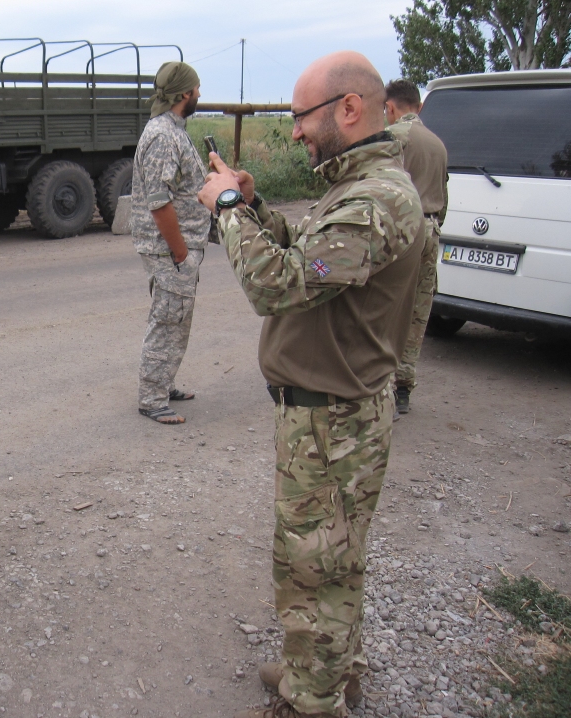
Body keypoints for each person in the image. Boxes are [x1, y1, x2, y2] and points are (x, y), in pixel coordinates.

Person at [198, 53, 424, 718]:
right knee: (333, 563)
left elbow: (282, 284)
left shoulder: (374, 200)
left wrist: (230, 208)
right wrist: (258, 205)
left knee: (314, 569)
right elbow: (310, 257)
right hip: (334, 417)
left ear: (348, 109)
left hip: (333, 423)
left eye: (301, 117)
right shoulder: (360, 190)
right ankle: (327, 669)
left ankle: (311, 702)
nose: (295, 132)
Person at [130, 61, 209, 425]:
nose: (198, 94)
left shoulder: (174, 129)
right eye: (195, 89)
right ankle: (152, 398)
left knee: (176, 317)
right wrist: (179, 250)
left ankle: (164, 382)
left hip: (178, 247)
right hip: (169, 248)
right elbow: (158, 201)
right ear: (184, 94)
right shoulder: (163, 134)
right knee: (168, 317)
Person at [385, 78, 449, 417]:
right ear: (419, 105)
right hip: (431, 229)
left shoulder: (393, 139)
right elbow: (444, 196)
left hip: (402, 231)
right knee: (418, 310)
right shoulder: (438, 144)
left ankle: (379, 386)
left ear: (391, 108)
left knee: (387, 306)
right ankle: (404, 387)